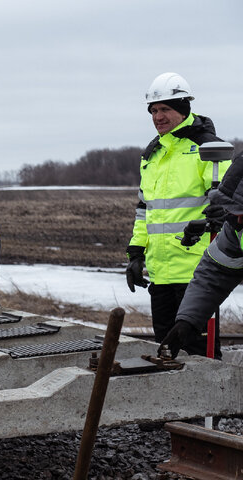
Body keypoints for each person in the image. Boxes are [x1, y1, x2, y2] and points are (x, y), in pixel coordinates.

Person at [127, 72, 231, 348]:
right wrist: (136, 252)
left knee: (199, 355)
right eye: (153, 110)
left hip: (196, 274)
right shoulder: (152, 155)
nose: (158, 116)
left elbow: (226, 202)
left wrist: (220, 213)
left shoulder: (207, 148)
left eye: (165, 109)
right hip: (160, 273)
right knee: (165, 351)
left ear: (183, 109)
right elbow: (144, 209)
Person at [163, 153, 242, 356]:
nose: (237, 218)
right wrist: (187, 321)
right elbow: (215, 272)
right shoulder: (236, 226)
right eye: (233, 210)